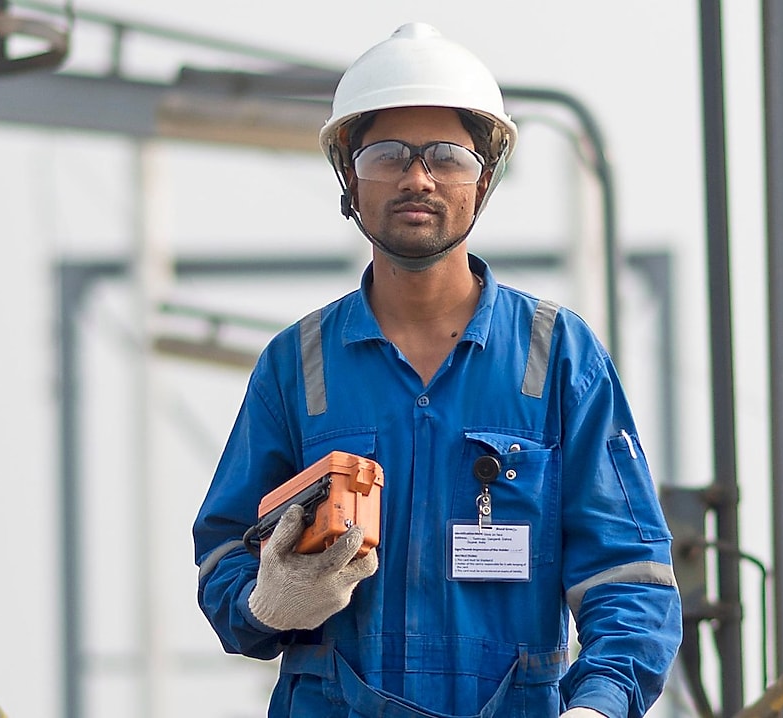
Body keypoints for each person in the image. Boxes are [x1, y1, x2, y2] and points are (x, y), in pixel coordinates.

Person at [193, 22, 682, 718]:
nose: (417, 177)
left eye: (446, 156)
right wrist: (268, 599)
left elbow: (629, 575)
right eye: (386, 154)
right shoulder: (297, 366)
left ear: (484, 178)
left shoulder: (557, 356)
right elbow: (223, 556)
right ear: (349, 178)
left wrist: (598, 706)